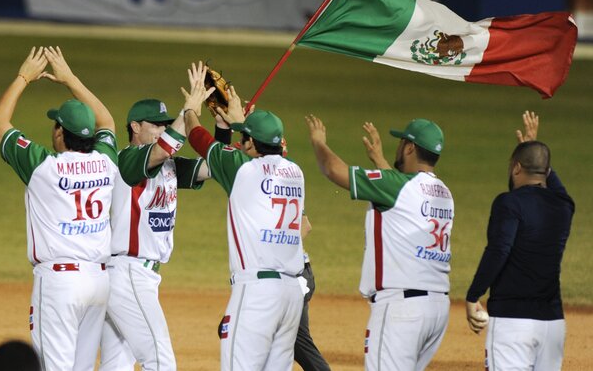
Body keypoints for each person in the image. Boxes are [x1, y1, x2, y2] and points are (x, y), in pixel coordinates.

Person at [0, 47, 118, 370]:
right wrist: (70, 79)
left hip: (60, 284)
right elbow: (106, 120)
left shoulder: (43, 168)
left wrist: (24, 76)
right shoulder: (105, 160)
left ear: (60, 132)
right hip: (99, 281)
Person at [183, 61, 306, 371]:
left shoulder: (242, 169)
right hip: (291, 295)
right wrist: (233, 125)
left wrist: (191, 107)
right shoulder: (295, 172)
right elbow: (243, 152)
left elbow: (195, 136)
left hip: (257, 294)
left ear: (249, 142)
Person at [306, 115, 453, 371]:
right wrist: (380, 161)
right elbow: (403, 196)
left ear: (409, 148)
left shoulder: (397, 187)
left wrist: (319, 142)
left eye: (402, 143)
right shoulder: (443, 192)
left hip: (401, 310)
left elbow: (333, 170)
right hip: (436, 309)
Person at [99, 93, 232, 369]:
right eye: (155, 124)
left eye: (164, 124)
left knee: (116, 364)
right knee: (161, 361)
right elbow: (162, 149)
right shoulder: (128, 160)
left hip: (133, 277)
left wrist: (222, 127)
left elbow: (214, 167)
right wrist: (188, 111)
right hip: (128, 274)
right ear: (135, 127)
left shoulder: (167, 165)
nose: (161, 129)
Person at [465, 111, 575, 371]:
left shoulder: (509, 203)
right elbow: (550, 179)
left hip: (512, 323)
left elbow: (500, 249)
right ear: (545, 171)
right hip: (552, 324)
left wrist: (473, 295)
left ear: (516, 167)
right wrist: (533, 150)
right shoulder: (564, 206)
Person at [295, 214, 331, 371]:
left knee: (298, 341)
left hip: (295, 276)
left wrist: (281, 247)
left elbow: (305, 225)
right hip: (289, 276)